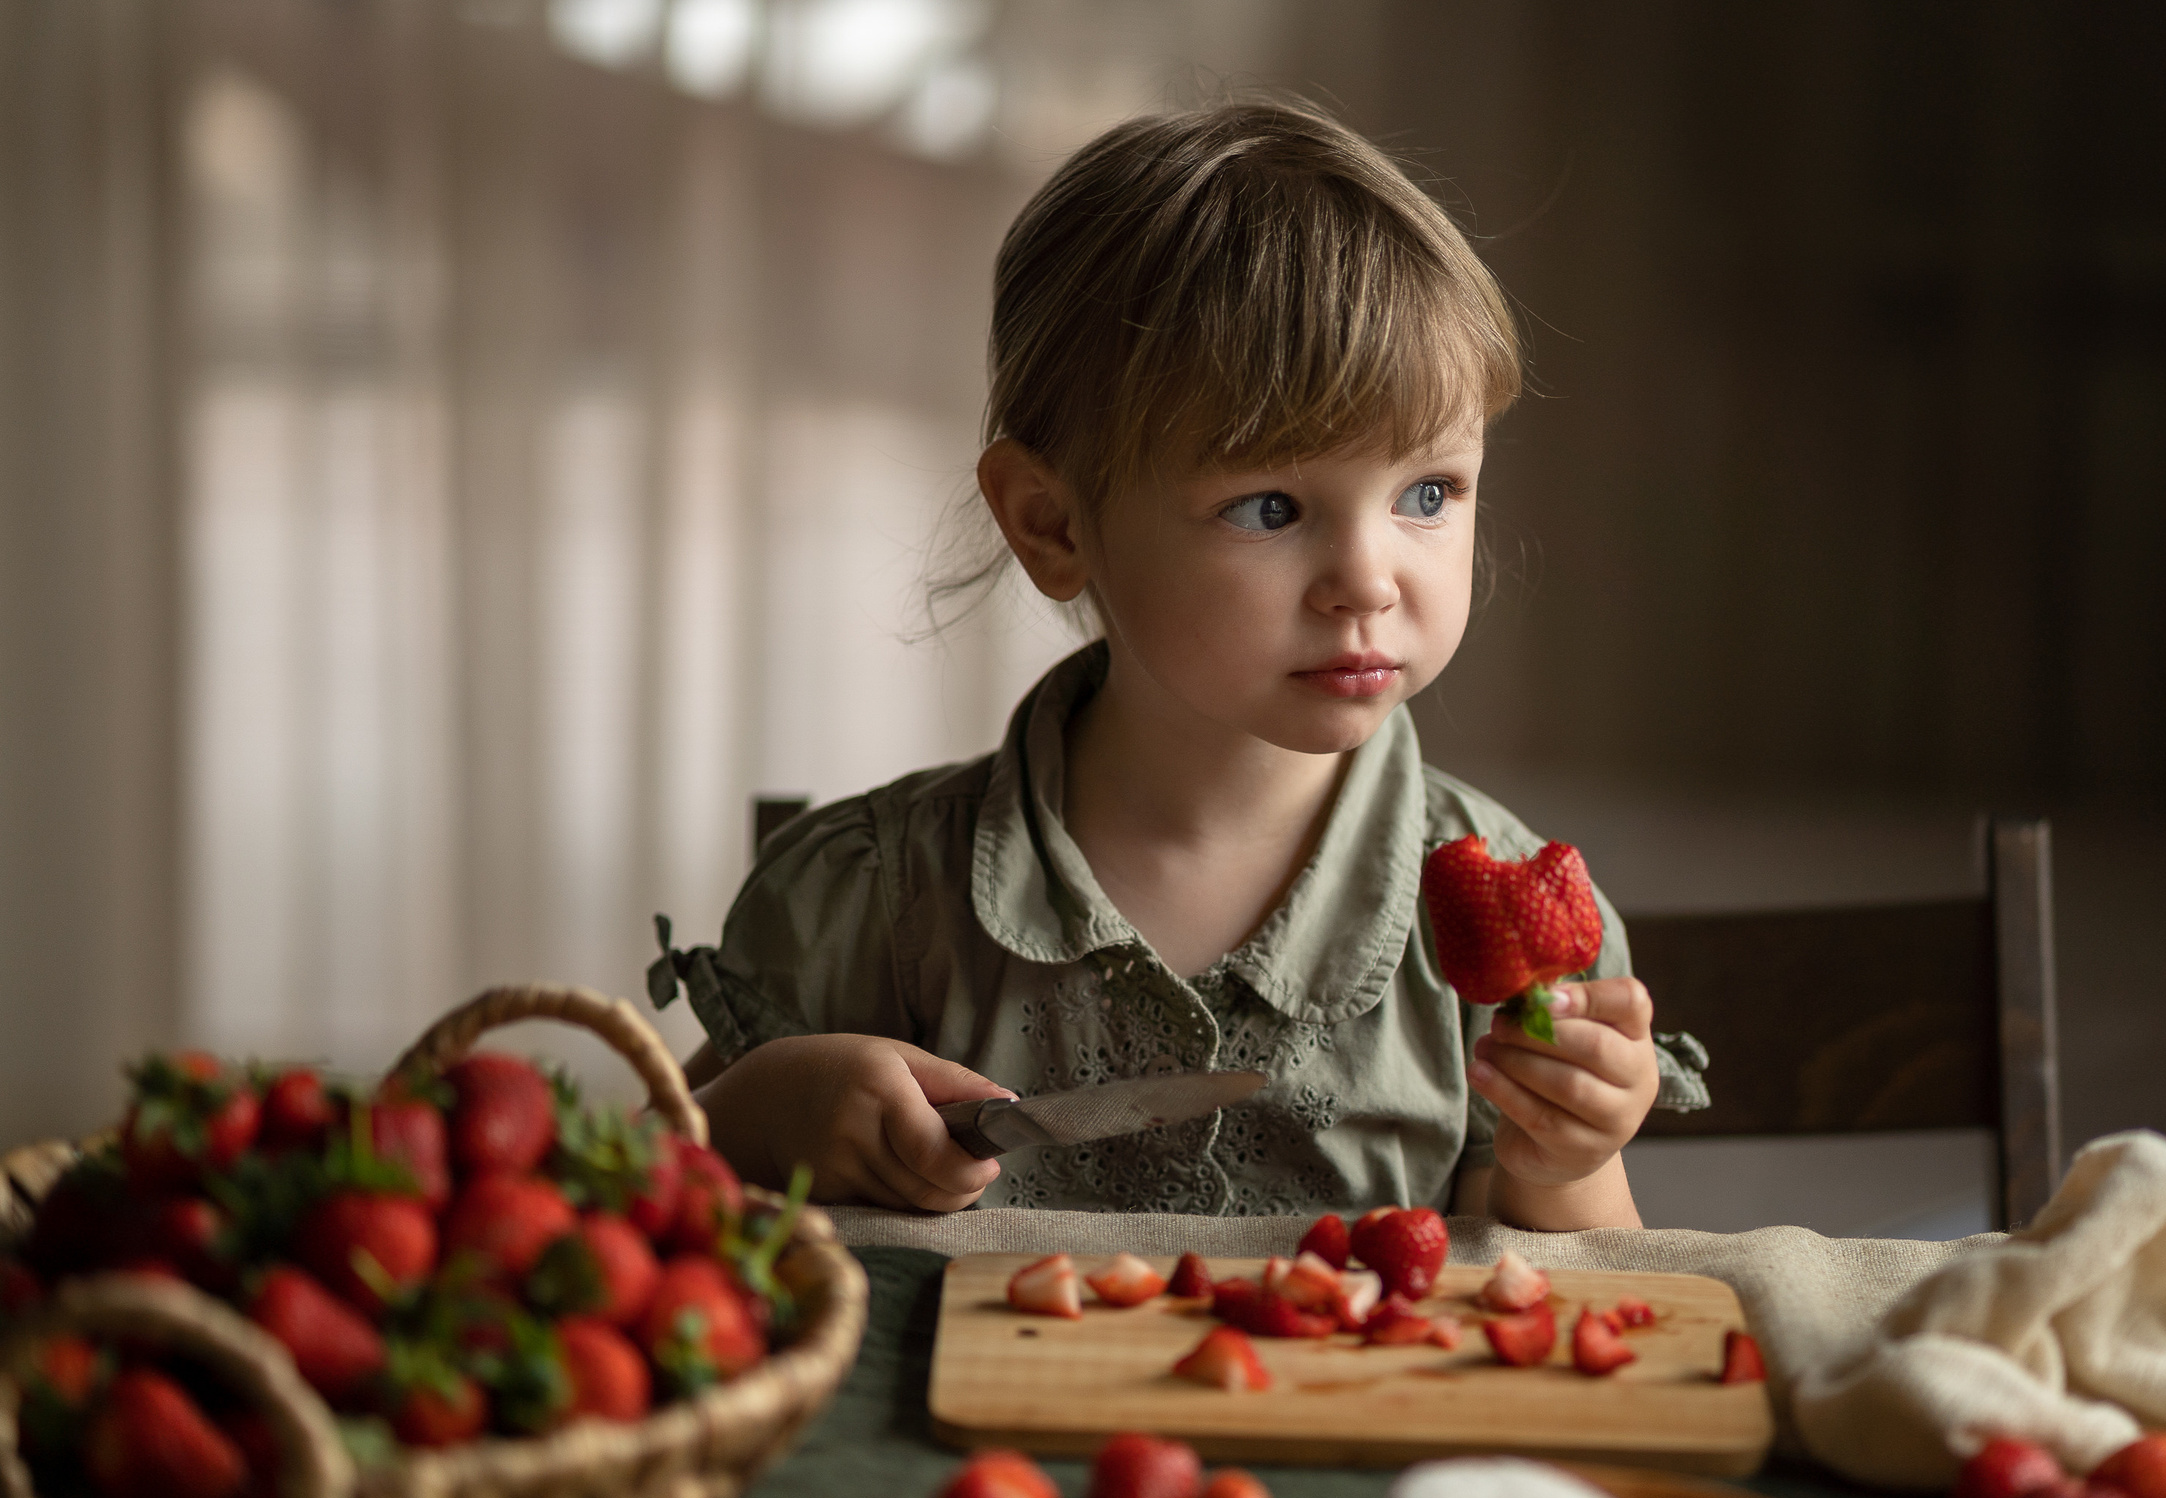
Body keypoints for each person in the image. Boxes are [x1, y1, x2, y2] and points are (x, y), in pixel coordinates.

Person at [649, 97, 1709, 1231]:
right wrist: (753, 1121)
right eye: (1270, 505)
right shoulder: (875, 899)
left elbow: (1575, 1292)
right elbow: (631, 1199)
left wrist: (1565, 1156)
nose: (1369, 578)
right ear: (1052, 523)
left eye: (1427, 493)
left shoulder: (1510, 908)